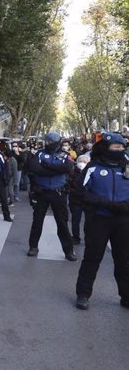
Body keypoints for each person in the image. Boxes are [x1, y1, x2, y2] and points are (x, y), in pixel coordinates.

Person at [73, 133, 129, 310]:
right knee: (92, 258)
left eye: (122, 148)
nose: (119, 151)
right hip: (99, 220)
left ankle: (126, 296)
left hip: (123, 220)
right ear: (106, 148)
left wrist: (124, 206)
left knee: (124, 260)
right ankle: (83, 294)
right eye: (115, 147)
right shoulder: (93, 168)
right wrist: (104, 203)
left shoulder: (127, 167)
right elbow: (79, 192)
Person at [25, 132, 77, 261]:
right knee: (37, 221)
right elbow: (35, 168)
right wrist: (56, 169)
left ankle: (68, 251)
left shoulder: (65, 155)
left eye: (51, 142)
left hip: (59, 193)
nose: (48, 144)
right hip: (41, 192)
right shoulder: (39, 154)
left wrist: (47, 166)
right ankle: (33, 246)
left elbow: (68, 168)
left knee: (62, 223)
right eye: (46, 141)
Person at [69, 154, 90, 245]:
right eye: (81, 161)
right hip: (75, 200)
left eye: (85, 162)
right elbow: (69, 184)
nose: (82, 163)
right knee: (75, 220)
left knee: (88, 221)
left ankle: (88, 238)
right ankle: (75, 237)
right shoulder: (72, 172)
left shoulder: (90, 173)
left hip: (87, 201)